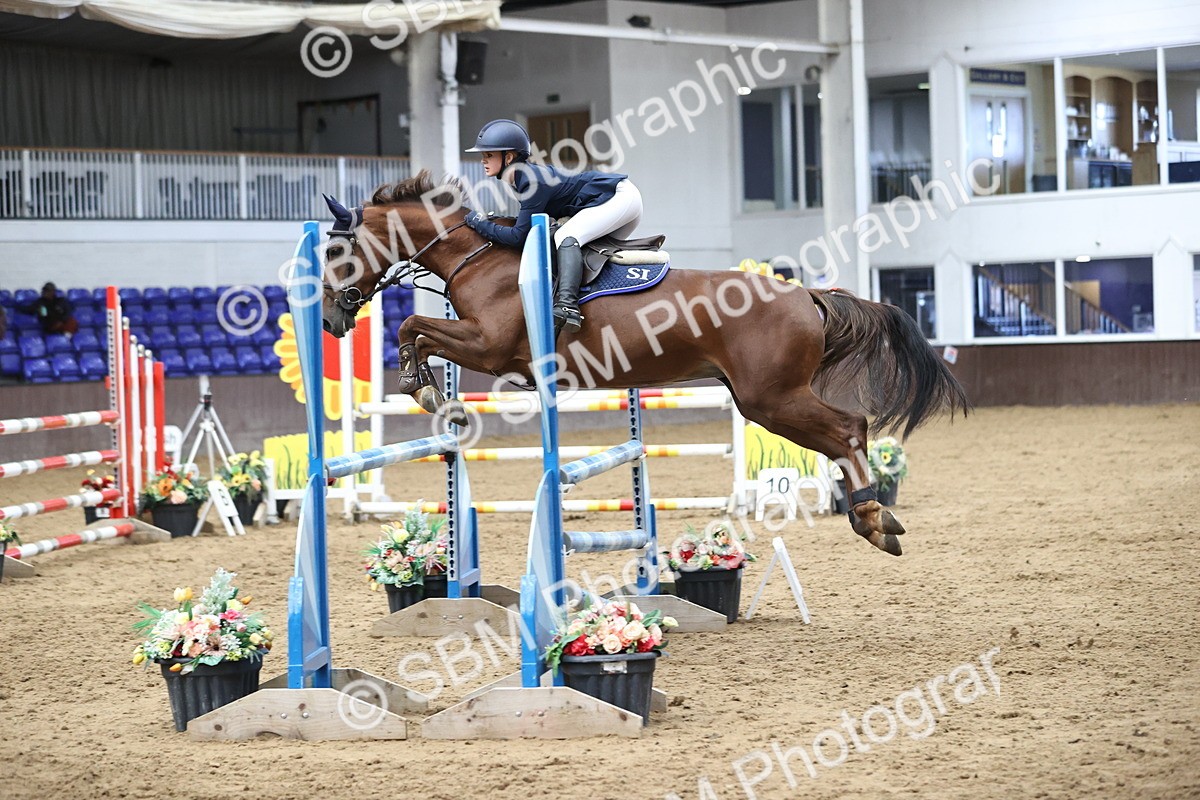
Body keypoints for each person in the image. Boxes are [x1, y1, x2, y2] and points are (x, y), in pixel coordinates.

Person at [462, 119, 643, 335]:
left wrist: (479, 224)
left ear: (509, 157)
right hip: (613, 201)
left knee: (567, 235)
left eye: (488, 155)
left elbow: (519, 237)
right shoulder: (518, 180)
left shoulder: (531, 181)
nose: (483, 161)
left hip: (620, 198)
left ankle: (567, 306)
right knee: (582, 252)